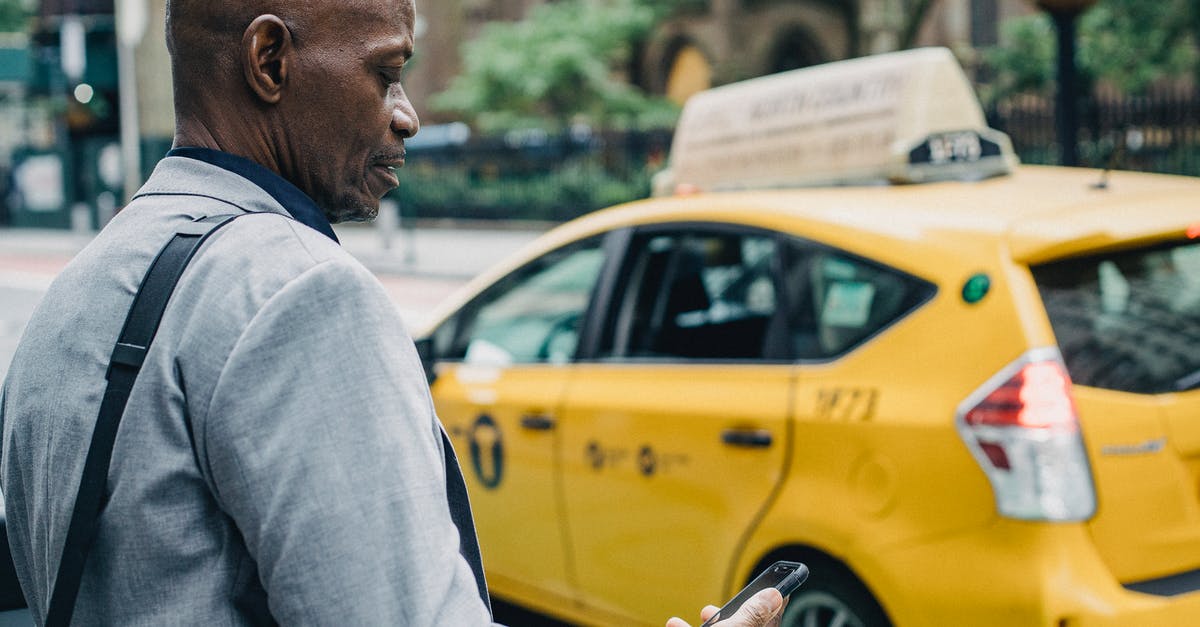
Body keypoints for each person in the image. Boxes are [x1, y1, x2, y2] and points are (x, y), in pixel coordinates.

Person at [0, 1, 786, 625]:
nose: (407, 114)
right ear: (269, 61)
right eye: (386, 73)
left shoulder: (78, 291)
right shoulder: (300, 292)